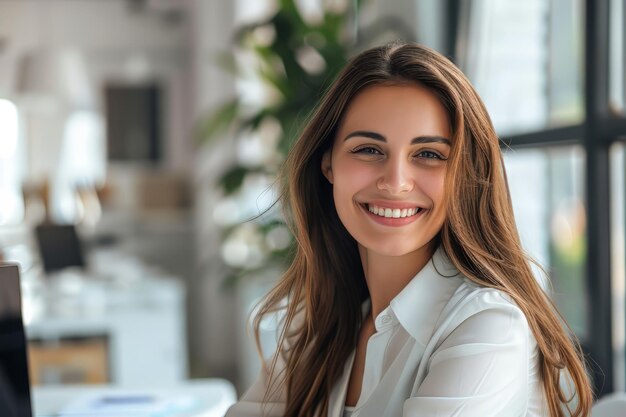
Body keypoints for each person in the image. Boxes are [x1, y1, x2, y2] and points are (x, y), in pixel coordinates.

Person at [225, 42, 593, 417]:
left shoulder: (488, 325)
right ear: (328, 164)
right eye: (368, 149)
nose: (396, 182)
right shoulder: (319, 317)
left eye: (429, 155)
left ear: (464, 177)